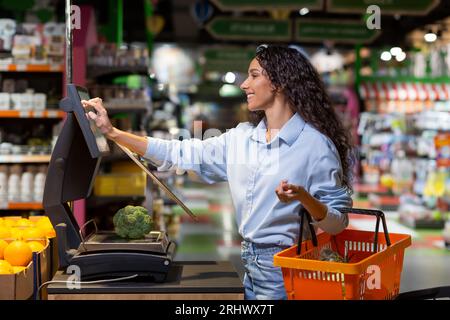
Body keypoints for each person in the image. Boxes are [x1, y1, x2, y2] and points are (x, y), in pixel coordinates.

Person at [82, 45, 354, 300]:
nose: (244, 84)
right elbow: (179, 152)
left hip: (288, 268)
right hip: (251, 265)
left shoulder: (315, 145)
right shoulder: (242, 138)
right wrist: (112, 132)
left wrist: (303, 197)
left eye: (253, 75)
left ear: (279, 83)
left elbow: (337, 223)